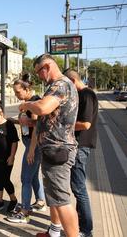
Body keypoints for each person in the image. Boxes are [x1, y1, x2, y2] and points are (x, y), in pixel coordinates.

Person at [19, 54, 79, 237]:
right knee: (53, 195)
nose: (39, 76)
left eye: (39, 72)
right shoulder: (60, 85)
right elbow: (46, 119)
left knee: (61, 200)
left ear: (47, 66)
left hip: (57, 149)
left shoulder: (60, 85)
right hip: (53, 148)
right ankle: (54, 231)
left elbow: (43, 108)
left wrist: (27, 105)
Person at [7, 79, 46, 224]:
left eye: (18, 91)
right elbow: (27, 123)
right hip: (31, 144)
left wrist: (31, 150)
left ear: (27, 89)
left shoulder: (34, 103)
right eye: (15, 92)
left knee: (25, 178)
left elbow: (36, 125)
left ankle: (24, 212)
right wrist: (12, 121)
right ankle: (40, 202)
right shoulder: (28, 103)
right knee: (34, 175)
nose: (16, 94)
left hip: (33, 145)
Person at [65, 70, 98, 237]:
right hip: (80, 146)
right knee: (78, 187)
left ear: (72, 80)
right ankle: (80, 223)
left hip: (80, 146)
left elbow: (85, 124)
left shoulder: (86, 94)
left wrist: (65, 124)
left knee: (78, 188)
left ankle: (86, 230)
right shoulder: (83, 94)